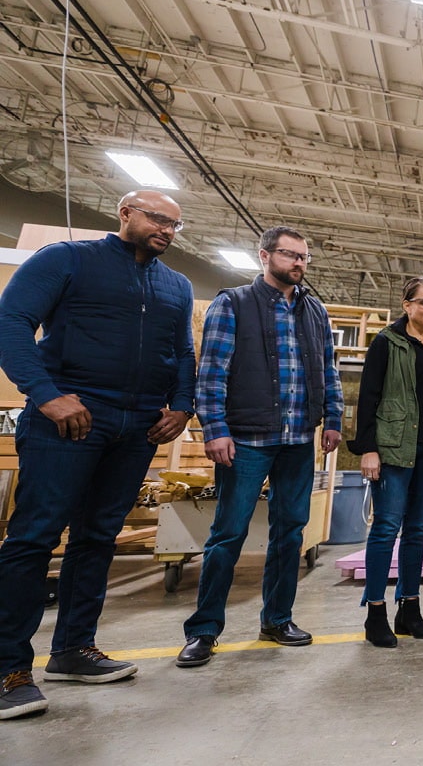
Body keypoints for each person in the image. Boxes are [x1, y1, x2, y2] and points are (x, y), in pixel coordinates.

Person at [0, 191, 196, 720]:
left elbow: (182, 351)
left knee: (98, 537)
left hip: (138, 426)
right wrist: (45, 393)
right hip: (69, 416)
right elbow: (12, 323)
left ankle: (71, 650)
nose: (167, 231)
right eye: (158, 218)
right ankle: (7, 669)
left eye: (175, 224)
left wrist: (182, 405)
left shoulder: (175, 284)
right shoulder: (66, 259)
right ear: (125, 212)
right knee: (35, 535)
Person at [176, 226, 343, 668]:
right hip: (246, 440)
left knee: (290, 533)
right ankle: (204, 630)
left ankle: (277, 619)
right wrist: (214, 428)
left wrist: (333, 419)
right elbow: (210, 372)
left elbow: (328, 369)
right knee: (227, 534)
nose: (299, 263)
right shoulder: (233, 304)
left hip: (297, 441)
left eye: (305, 257)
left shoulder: (315, 311)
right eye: (291, 255)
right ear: (264, 256)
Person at [347, 276, 423, 647]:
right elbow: (369, 395)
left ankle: (409, 609)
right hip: (394, 448)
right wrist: (368, 448)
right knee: (385, 528)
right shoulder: (386, 342)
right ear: (407, 305)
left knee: (417, 531)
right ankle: (375, 612)